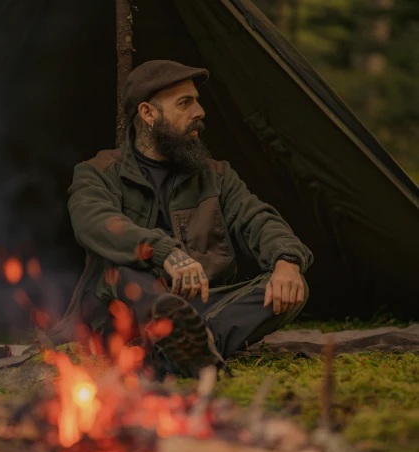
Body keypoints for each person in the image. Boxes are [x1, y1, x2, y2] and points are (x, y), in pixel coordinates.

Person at [52, 60, 313, 376]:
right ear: (148, 114)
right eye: (185, 103)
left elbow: (256, 218)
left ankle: (181, 347)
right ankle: (183, 345)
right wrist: (164, 252)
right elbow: (92, 220)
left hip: (199, 304)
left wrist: (287, 259)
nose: (200, 112)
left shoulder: (216, 176)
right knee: (120, 266)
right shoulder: (98, 172)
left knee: (288, 289)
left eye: (197, 101)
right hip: (124, 310)